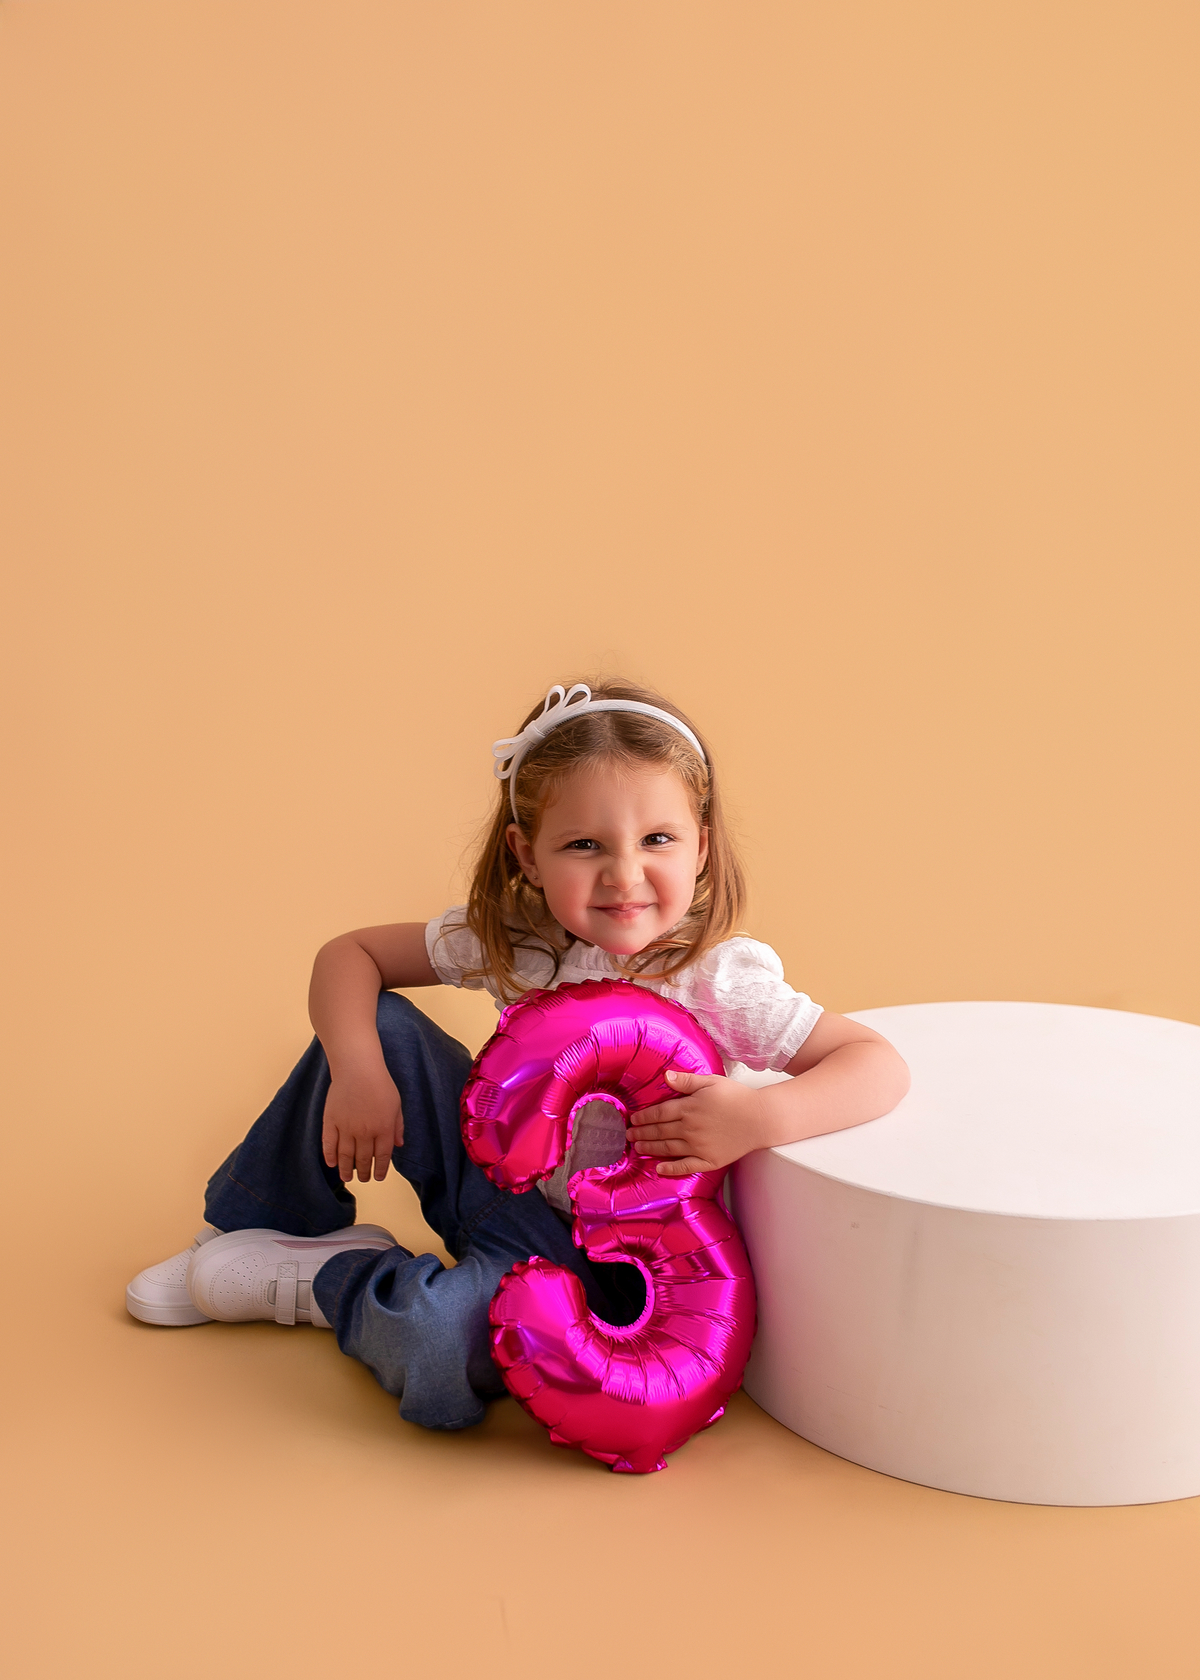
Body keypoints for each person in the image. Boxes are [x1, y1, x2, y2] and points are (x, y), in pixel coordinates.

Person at [126, 678, 910, 1432]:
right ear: (528, 854)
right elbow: (348, 957)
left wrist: (761, 1116)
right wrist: (361, 1071)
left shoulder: (717, 980)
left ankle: (331, 1277)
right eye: (583, 844)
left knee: (436, 1345)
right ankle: (249, 1228)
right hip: (488, 1171)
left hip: (590, 1264)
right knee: (380, 1027)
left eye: (657, 839)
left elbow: (875, 1062)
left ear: (700, 847)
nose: (624, 875)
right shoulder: (521, 939)